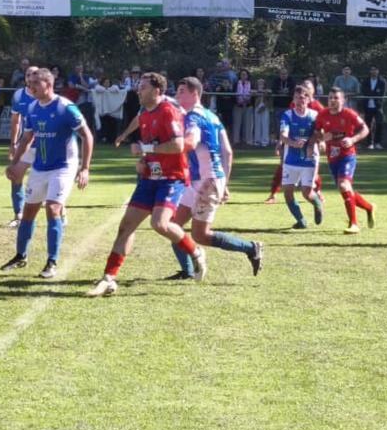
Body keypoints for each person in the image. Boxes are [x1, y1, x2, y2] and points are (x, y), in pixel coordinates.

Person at [86, 72, 209, 296]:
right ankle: (109, 278)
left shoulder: (168, 111)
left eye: (142, 87)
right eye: (138, 87)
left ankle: (196, 251)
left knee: (159, 224)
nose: (138, 90)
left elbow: (178, 145)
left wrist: (145, 150)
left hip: (172, 177)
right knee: (126, 227)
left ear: (157, 91)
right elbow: (151, 144)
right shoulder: (144, 114)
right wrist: (143, 161)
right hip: (150, 177)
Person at [2, 68, 93, 279]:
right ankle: (20, 256)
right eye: (30, 83)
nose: (31, 87)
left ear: (48, 85)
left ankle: (51, 262)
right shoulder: (33, 107)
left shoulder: (66, 108)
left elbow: (87, 136)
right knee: (28, 212)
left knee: (53, 209)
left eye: (35, 83)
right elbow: (26, 140)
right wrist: (14, 163)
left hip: (63, 166)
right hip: (40, 167)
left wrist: (85, 168)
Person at [169, 77, 262, 275]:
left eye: (181, 91)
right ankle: (187, 272)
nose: (177, 95)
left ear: (195, 94)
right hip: (204, 180)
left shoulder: (193, 117)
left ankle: (251, 248)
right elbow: (227, 152)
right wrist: (224, 182)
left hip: (207, 182)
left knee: (200, 235)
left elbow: (192, 141)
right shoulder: (212, 116)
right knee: (172, 226)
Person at [314, 88, 375, 233]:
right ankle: (369, 207)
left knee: (343, 185)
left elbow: (365, 129)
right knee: (346, 189)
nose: (332, 101)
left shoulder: (349, 114)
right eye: (330, 98)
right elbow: (317, 133)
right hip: (332, 157)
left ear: (343, 100)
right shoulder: (322, 114)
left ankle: (354, 224)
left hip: (347, 155)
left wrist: (352, 139)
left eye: (336, 98)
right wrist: (322, 139)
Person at [276, 85, 323, 229]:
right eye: (296, 98)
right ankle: (301, 220)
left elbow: (319, 133)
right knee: (287, 191)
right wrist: (293, 143)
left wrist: (314, 143)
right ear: (293, 100)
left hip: (309, 159)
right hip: (291, 159)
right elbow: (283, 136)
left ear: (308, 99)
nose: (299, 101)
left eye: (302, 98)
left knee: (306, 193)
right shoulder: (287, 115)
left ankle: (317, 204)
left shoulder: (315, 115)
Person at [5, 65, 40, 227]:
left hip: (44, 143)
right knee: (15, 175)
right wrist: (13, 144)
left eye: (35, 74)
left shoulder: (45, 94)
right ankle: (18, 214)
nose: (31, 77)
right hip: (25, 143)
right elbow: (15, 121)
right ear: (25, 78)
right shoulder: (19, 95)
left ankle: (60, 213)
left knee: (46, 180)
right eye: (28, 74)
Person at [363, 67, 387, 149]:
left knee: (379, 124)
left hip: (378, 106)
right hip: (368, 106)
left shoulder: (382, 81)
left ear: (378, 71)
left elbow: (382, 93)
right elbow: (365, 91)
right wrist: (374, 93)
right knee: (367, 124)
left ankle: (377, 142)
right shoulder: (366, 81)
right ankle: (369, 143)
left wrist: (372, 94)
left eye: (375, 70)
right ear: (370, 71)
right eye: (372, 69)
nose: (374, 71)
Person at [232, 69, 254, 146]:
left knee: (248, 124)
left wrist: (248, 99)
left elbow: (253, 93)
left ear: (247, 76)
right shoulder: (236, 83)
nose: (243, 76)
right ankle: (236, 140)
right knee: (237, 123)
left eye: (245, 74)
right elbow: (233, 93)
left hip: (248, 105)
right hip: (238, 105)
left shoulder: (251, 83)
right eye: (242, 74)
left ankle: (248, 141)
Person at [253, 78, 271, 147]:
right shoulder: (255, 91)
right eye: (259, 83)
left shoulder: (267, 91)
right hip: (257, 107)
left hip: (265, 108)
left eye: (262, 83)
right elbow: (251, 92)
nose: (260, 85)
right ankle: (257, 140)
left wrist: (264, 92)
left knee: (265, 124)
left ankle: (265, 141)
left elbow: (269, 92)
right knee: (257, 124)